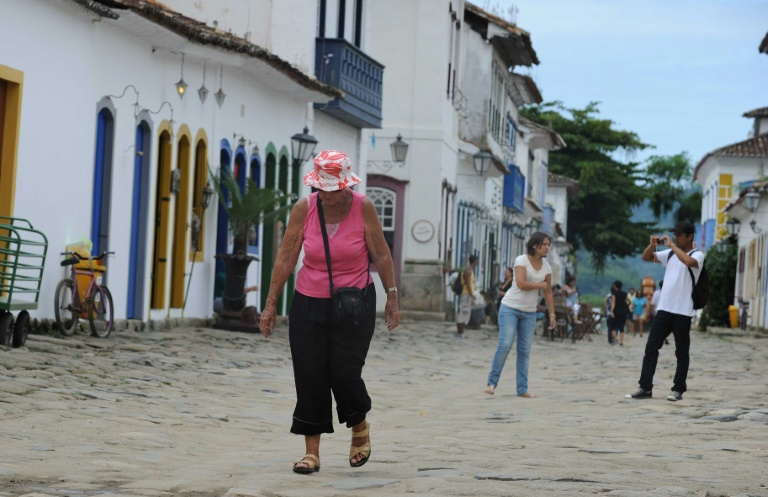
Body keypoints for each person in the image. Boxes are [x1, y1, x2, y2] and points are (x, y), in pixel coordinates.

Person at [258, 150, 400, 474]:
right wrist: (270, 306)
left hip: (354, 305)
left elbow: (381, 253)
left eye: (335, 189)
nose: (330, 195)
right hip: (309, 301)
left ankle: (359, 425)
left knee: (344, 372)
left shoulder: (363, 206)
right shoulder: (304, 208)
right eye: (324, 189)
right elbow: (285, 257)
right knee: (309, 374)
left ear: (346, 185)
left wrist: (392, 296)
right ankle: (311, 453)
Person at [625, 220, 704, 402]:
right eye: (674, 235)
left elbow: (689, 261)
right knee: (651, 347)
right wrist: (651, 245)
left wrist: (672, 246)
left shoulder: (698, 254)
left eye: (678, 235)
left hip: (683, 311)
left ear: (690, 236)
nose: (675, 238)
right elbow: (646, 257)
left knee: (681, 352)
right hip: (664, 309)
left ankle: (678, 389)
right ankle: (645, 387)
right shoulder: (669, 255)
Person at [485, 232, 556, 397]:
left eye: (548, 244)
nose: (547, 247)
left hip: (529, 312)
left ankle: (522, 389)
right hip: (510, 308)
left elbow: (549, 292)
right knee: (505, 344)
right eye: (544, 244)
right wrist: (541, 284)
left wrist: (552, 314)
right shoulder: (521, 260)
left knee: (524, 351)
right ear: (534, 245)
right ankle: (491, 383)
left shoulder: (547, 267)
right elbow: (522, 284)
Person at [456, 255, 479, 337]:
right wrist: (472, 297)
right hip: (466, 294)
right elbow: (468, 285)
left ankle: (461, 332)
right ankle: (460, 332)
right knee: (464, 312)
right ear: (475, 261)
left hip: (468, 294)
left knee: (465, 312)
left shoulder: (470, 271)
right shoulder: (468, 272)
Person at [608, 280, 630, 346]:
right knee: (621, 327)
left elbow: (613, 303)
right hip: (623, 312)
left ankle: (616, 338)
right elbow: (630, 302)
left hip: (616, 311)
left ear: (615, 286)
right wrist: (626, 305)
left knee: (613, 326)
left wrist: (611, 311)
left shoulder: (614, 294)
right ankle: (621, 342)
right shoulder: (624, 293)